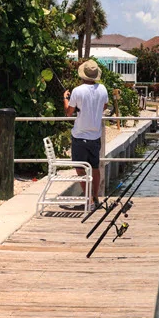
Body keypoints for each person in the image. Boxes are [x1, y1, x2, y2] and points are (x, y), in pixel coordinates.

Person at [63, 60, 109, 208]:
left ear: (83, 75)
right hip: (95, 136)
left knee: (80, 168)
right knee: (95, 168)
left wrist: (65, 98)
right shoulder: (102, 89)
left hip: (79, 135)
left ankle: (88, 197)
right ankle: (95, 197)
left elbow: (69, 113)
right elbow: (105, 106)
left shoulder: (77, 90)